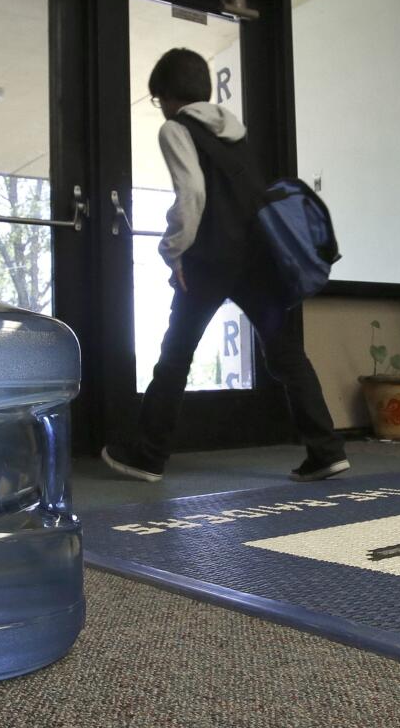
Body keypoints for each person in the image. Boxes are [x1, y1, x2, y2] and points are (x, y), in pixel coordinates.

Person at [101, 48, 350, 484]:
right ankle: (326, 450)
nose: (161, 108)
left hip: (213, 258)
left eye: (159, 99)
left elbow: (192, 193)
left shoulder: (175, 129)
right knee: (288, 355)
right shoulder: (234, 133)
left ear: (167, 96)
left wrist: (173, 249)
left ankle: (147, 456)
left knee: (176, 354)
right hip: (259, 257)